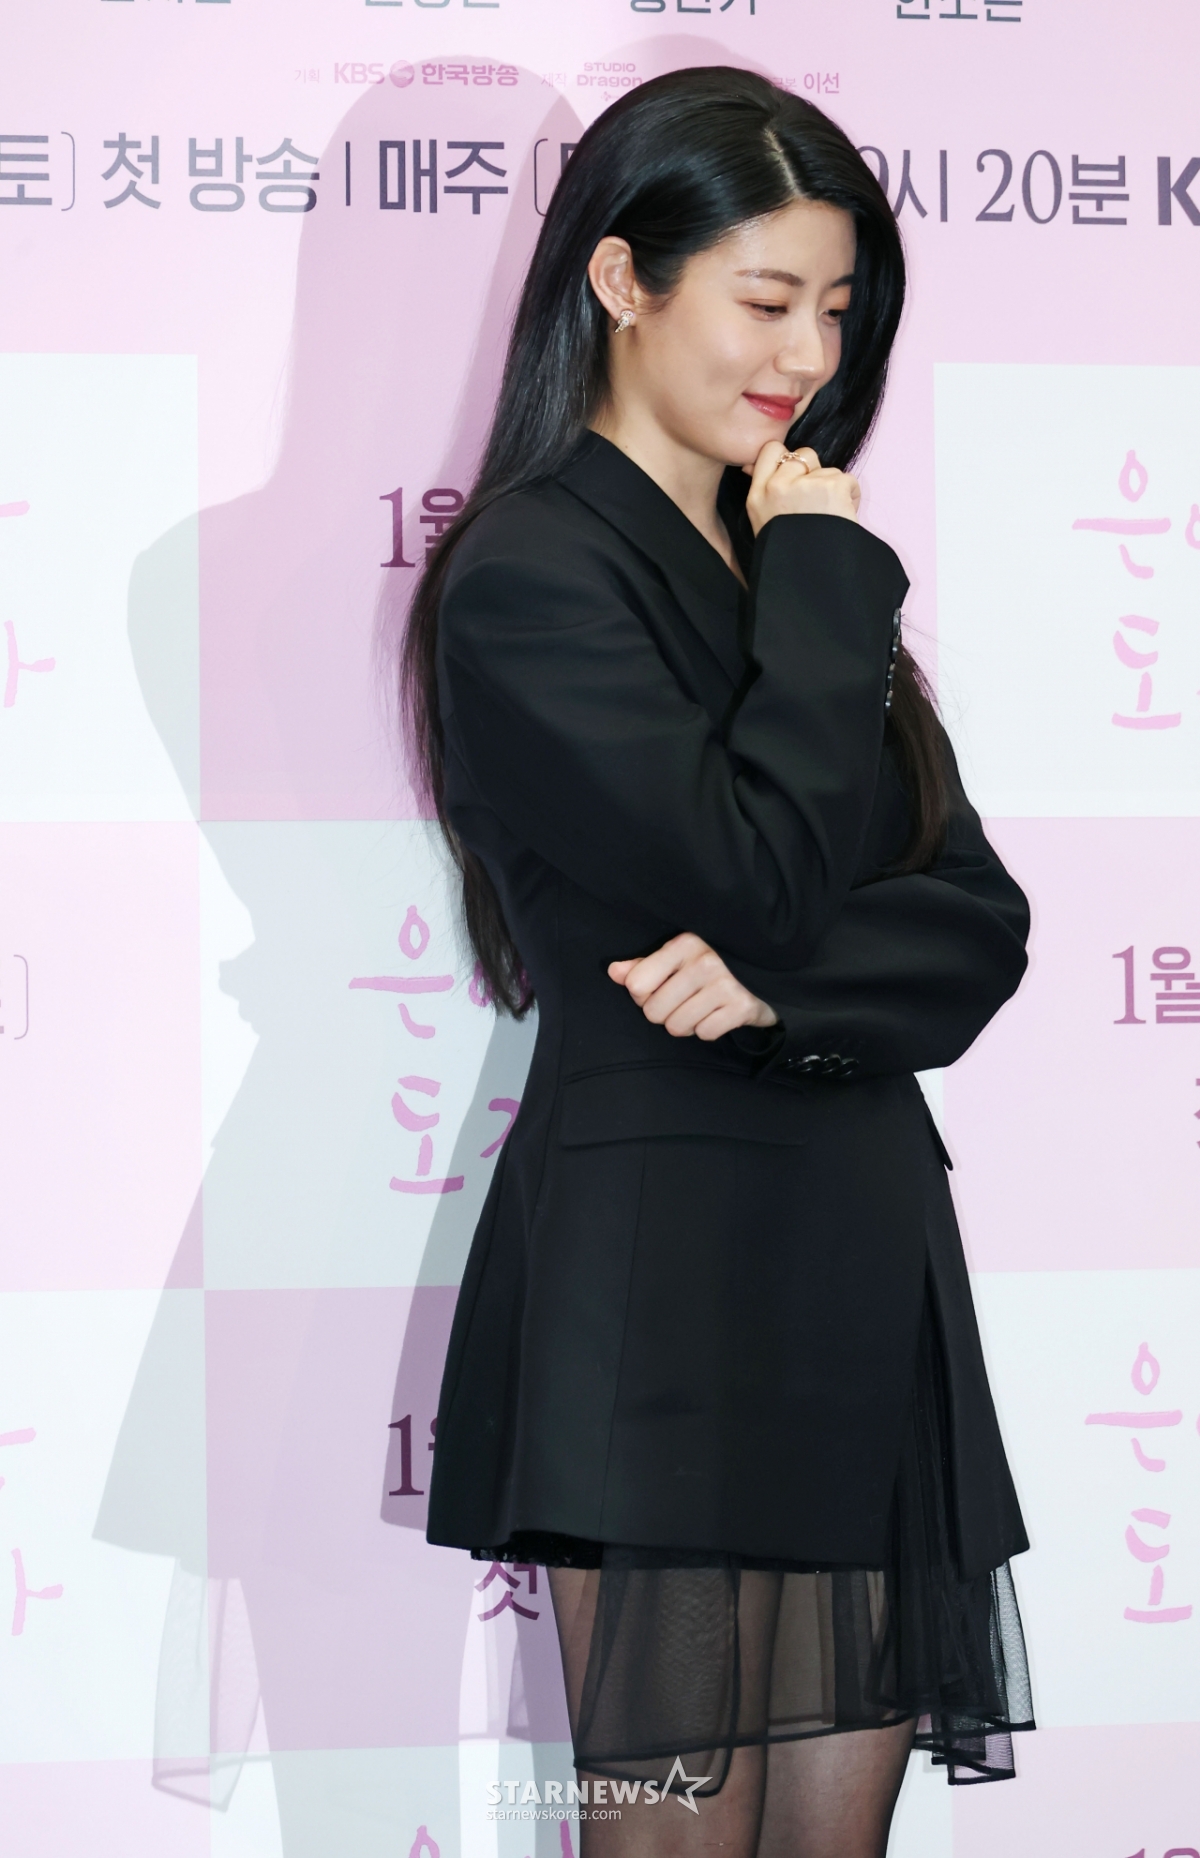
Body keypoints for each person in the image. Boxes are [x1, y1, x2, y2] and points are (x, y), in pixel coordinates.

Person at [403, 65, 1035, 1858]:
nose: (808, 355)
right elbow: (751, 869)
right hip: (663, 1268)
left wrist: (782, 991)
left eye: (837, 309)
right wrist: (824, 578)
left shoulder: (790, 553)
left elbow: (974, 924)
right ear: (622, 278)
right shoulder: (538, 569)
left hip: (861, 1245)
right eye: (767, 301)